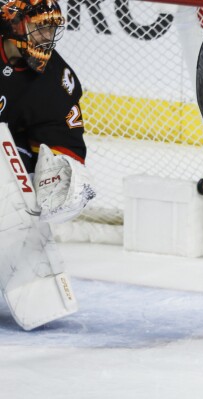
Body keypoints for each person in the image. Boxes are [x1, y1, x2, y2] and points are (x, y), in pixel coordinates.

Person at [0, 0, 95, 330]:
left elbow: (64, 142)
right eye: (40, 27)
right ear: (14, 23)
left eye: (52, 29)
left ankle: (18, 268)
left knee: (17, 187)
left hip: (7, 154)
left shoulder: (55, 80)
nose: (47, 37)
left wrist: (64, 175)